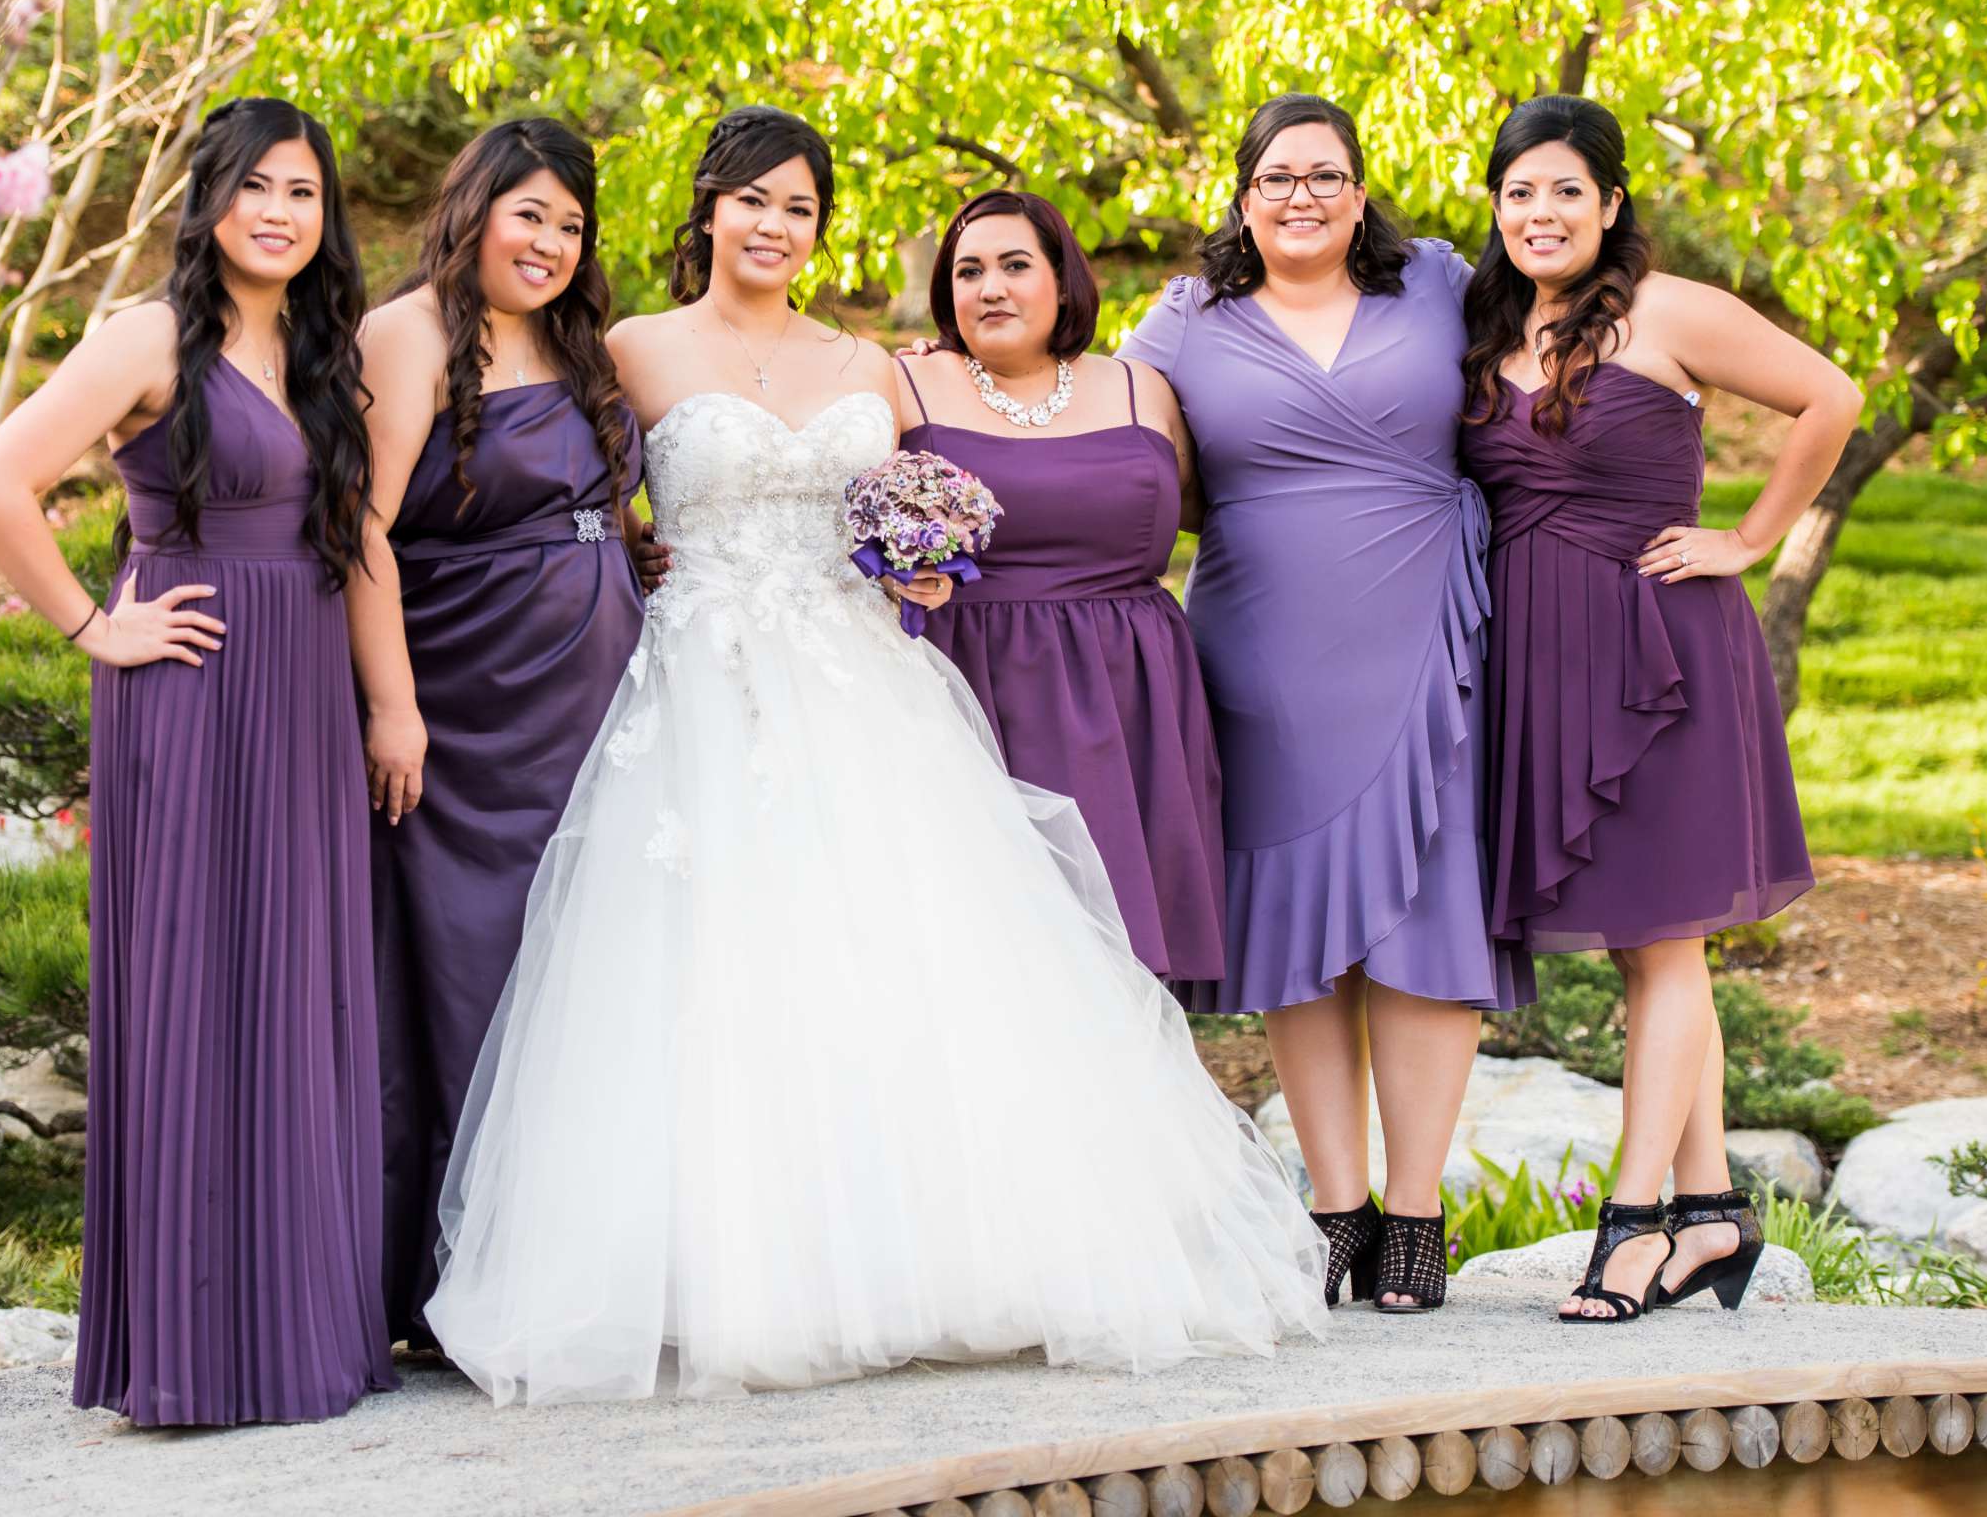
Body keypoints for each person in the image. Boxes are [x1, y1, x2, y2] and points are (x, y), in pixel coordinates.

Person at [422, 106, 1329, 1404]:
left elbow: (937, 484)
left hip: (866, 680)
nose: (775, 227)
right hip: (701, 679)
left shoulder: (871, 363)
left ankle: (943, 1258)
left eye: (799, 207)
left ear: (819, 227)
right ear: (709, 210)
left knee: (906, 957)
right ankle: (725, 1275)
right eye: (753, 201)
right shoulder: (629, 345)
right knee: (712, 969)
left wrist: (928, 547)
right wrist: (626, 553)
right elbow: (564, 479)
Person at [0, 97, 396, 1422]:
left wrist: (389, 705)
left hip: (307, 692)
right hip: (193, 690)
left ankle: (300, 1337)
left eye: (304, 192)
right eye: (255, 185)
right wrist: (99, 627)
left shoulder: (323, 347)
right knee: (203, 991)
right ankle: (196, 1355)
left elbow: (354, 535)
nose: (279, 211)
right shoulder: (149, 336)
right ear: (207, 198)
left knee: (297, 990)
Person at [1119, 94, 1531, 1313]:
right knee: (1299, 931)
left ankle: (1416, 1211)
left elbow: (1568, 343)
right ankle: (1335, 1207)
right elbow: (1107, 438)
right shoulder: (1187, 319)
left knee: (1423, 922)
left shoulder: (1446, 285)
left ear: (1361, 192)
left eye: (1326, 175)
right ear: (1243, 197)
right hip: (1262, 651)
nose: (1301, 195)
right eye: (1276, 177)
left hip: (1427, 627)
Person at [1458, 94, 1858, 1323]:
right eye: (1520, 191)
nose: (1542, 212)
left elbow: (1830, 398)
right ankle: (1713, 1212)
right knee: (1651, 944)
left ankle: (1632, 1227)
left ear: (1612, 203)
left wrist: (1748, 536)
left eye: (1567, 190)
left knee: (1668, 942)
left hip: (1661, 650)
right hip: (1542, 658)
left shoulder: (1670, 311)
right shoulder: (1487, 332)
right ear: (1499, 207)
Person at [349, 118, 646, 1348]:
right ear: (472, 206)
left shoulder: (576, 341)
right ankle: (472, 1277)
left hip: (602, 695)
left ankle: (596, 1264)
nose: (551, 243)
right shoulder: (407, 331)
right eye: (530, 214)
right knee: (485, 966)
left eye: (571, 225)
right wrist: (395, 706)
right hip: (470, 706)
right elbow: (362, 528)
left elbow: (599, 507)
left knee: (605, 964)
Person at [891, 188, 1223, 988]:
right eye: (967, 272)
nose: (990, 288)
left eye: (1014, 266)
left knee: (1126, 962)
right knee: (998, 958)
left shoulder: (1143, 388)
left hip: (1134, 696)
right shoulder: (906, 389)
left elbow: (1221, 511)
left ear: (1064, 283)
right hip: (976, 688)